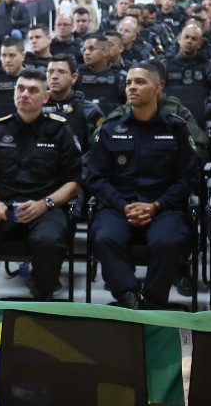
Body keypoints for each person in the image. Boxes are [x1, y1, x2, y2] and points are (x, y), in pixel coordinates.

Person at [84, 62, 199, 308]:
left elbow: (188, 177)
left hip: (164, 208)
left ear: (159, 87)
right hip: (118, 207)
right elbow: (96, 177)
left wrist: (157, 205)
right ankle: (129, 298)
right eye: (128, 83)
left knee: (167, 242)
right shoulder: (111, 128)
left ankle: (153, 302)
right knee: (104, 237)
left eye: (140, 82)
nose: (132, 88)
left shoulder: (176, 128)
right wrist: (124, 206)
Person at [0, 68, 81, 301]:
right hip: (3, 206)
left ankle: (41, 296)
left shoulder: (60, 130)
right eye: (20, 88)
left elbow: (74, 183)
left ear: (45, 97)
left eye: (33, 90)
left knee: (49, 241)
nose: (25, 94)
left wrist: (45, 203)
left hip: (45, 207)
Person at [41, 54, 104, 149]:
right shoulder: (36, 107)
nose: (54, 76)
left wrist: (86, 160)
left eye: (61, 72)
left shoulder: (89, 110)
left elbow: (99, 138)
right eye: (50, 71)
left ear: (74, 78)